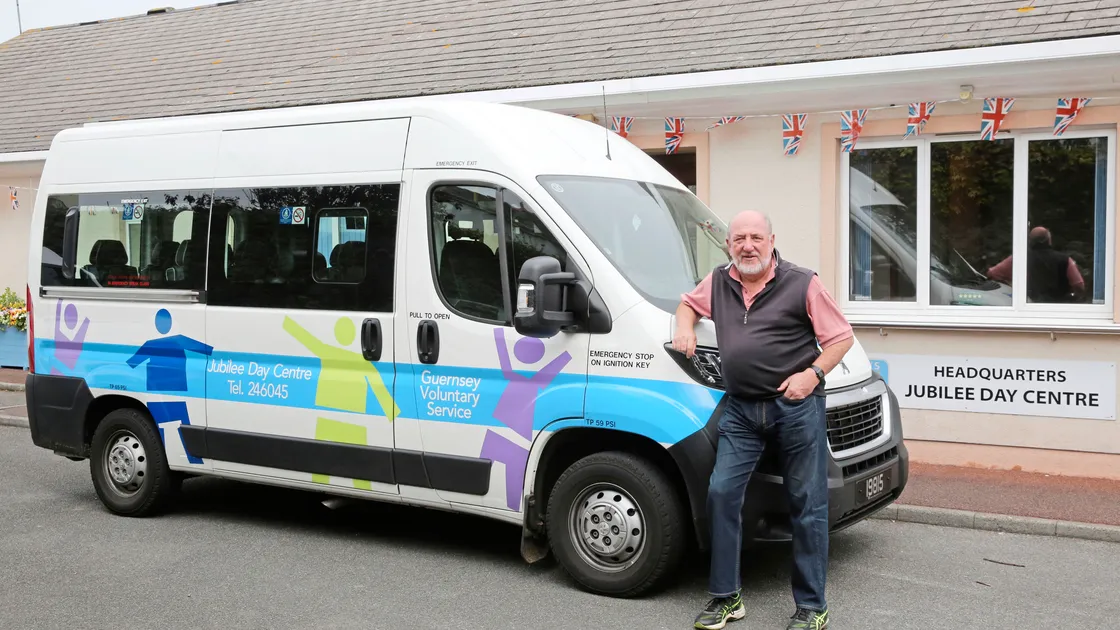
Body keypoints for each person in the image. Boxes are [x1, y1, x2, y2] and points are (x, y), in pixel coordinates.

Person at [674, 211, 854, 630]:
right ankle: (726, 597)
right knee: (720, 493)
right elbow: (687, 305)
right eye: (739, 239)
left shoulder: (802, 281)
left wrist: (813, 375)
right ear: (729, 244)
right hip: (740, 407)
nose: (747, 245)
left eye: (756, 237)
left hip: (795, 406)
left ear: (772, 240)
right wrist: (685, 328)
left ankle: (812, 606)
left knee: (806, 503)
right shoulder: (719, 279)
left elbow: (841, 336)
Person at [985, 226, 1085, 303]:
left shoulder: (1020, 258)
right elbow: (1079, 285)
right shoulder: (1065, 260)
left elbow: (992, 274)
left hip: (1028, 305)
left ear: (1030, 241)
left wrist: (1010, 286)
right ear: (1049, 240)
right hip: (1058, 308)